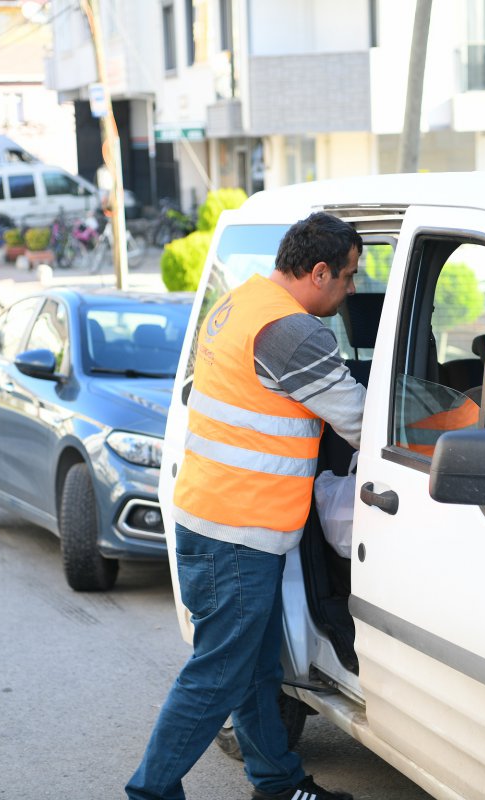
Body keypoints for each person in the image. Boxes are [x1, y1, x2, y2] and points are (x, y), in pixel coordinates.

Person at [125, 212, 365, 800]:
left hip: (214, 518)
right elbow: (362, 421)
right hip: (238, 532)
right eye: (350, 276)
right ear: (318, 271)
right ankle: (150, 793)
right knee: (217, 675)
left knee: (254, 670)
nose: (353, 289)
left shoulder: (239, 303)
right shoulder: (293, 332)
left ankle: (278, 784)